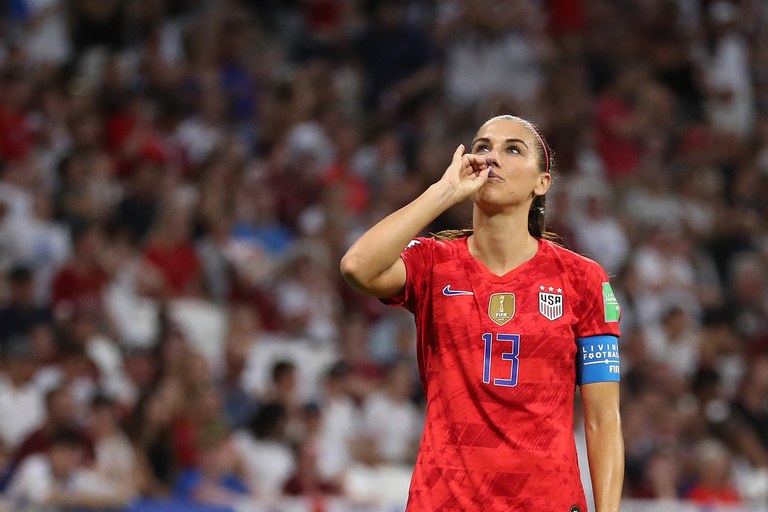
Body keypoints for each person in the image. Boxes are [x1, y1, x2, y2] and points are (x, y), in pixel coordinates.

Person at [340, 115, 624, 511]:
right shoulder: (433, 263)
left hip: (546, 501)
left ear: (542, 183)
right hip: (445, 500)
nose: (492, 157)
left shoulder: (582, 280)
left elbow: (603, 417)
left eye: (512, 149)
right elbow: (357, 267)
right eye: (482, 146)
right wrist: (444, 191)